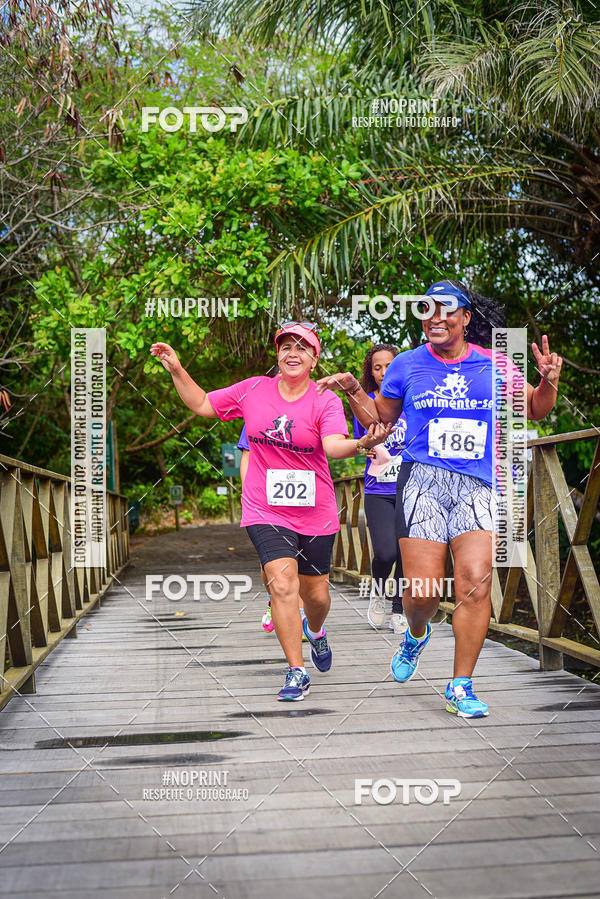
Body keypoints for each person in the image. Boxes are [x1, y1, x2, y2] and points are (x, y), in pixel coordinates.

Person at [317, 280, 562, 718]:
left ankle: (460, 684)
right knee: (422, 593)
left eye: (447, 310)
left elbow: (534, 409)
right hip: (421, 481)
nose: (436, 317)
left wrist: (547, 383)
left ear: (466, 317)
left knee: (475, 580)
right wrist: (355, 391)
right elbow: (381, 424)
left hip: (478, 485)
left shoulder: (496, 364)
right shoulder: (406, 365)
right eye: (427, 309)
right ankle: (415, 633)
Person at [151, 323, 389, 702]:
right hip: (264, 506)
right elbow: (201, 404)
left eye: (302, 347)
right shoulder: (253, 389)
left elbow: (332, 446)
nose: (292, 353)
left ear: (314, 358)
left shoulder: (324, 399)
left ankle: (316, 630)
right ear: (277, 354)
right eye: (286, 347)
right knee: (281, 584)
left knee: (317, 595)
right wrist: (178, 369)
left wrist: (361, 443)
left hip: (315, 510)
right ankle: (297, 670)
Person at [354, 344, 408, 634]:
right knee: (386, 552)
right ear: (370, 371)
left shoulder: (411, 399)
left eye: (389, 365)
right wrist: (366, 448)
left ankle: (398, 608)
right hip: (378, 488)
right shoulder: (365, 402)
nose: (383, 372)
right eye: (377, 367)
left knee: (406, 552)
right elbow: (358, 441)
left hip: (411, 486)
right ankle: (378, 592)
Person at [237, 424, 307, 637]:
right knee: (268, 565)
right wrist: (249, 496)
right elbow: (246, 457)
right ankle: (273, 598)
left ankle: (301, 616)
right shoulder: (256, 413)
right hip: (266, 500)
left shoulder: (311, 409)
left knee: (300, 561)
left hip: (304, 497)